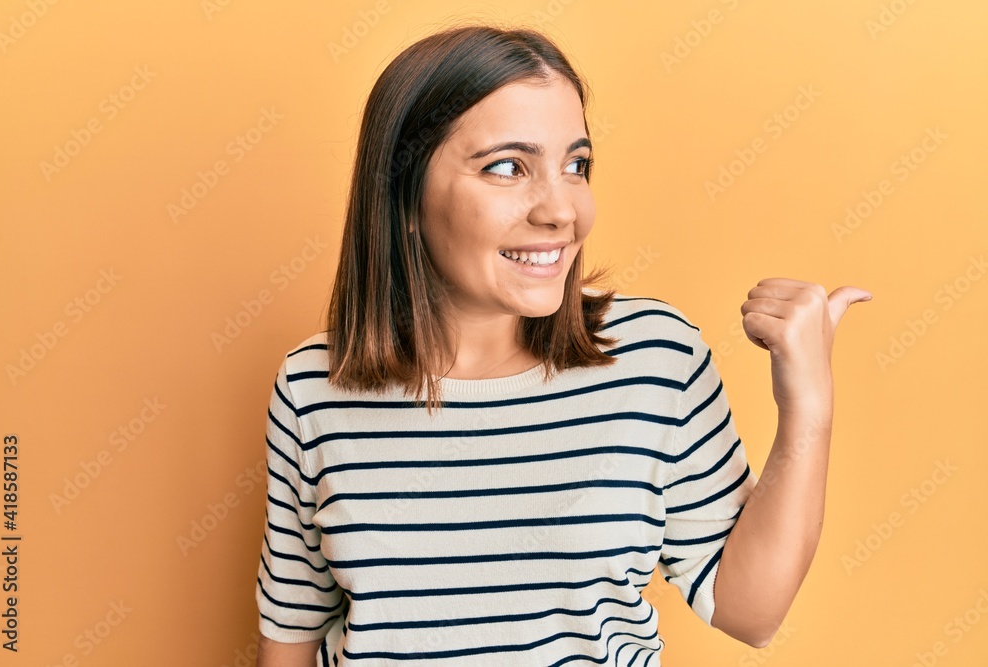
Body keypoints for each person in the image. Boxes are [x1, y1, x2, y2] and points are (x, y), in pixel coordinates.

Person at [253, 23, 871, 667]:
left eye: (576, 165)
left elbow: (750, 612)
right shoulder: (314, 386)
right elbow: (290, 633)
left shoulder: (655, 359)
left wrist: (808, 408)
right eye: (506, 167)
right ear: (404, 193)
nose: (561, 210)